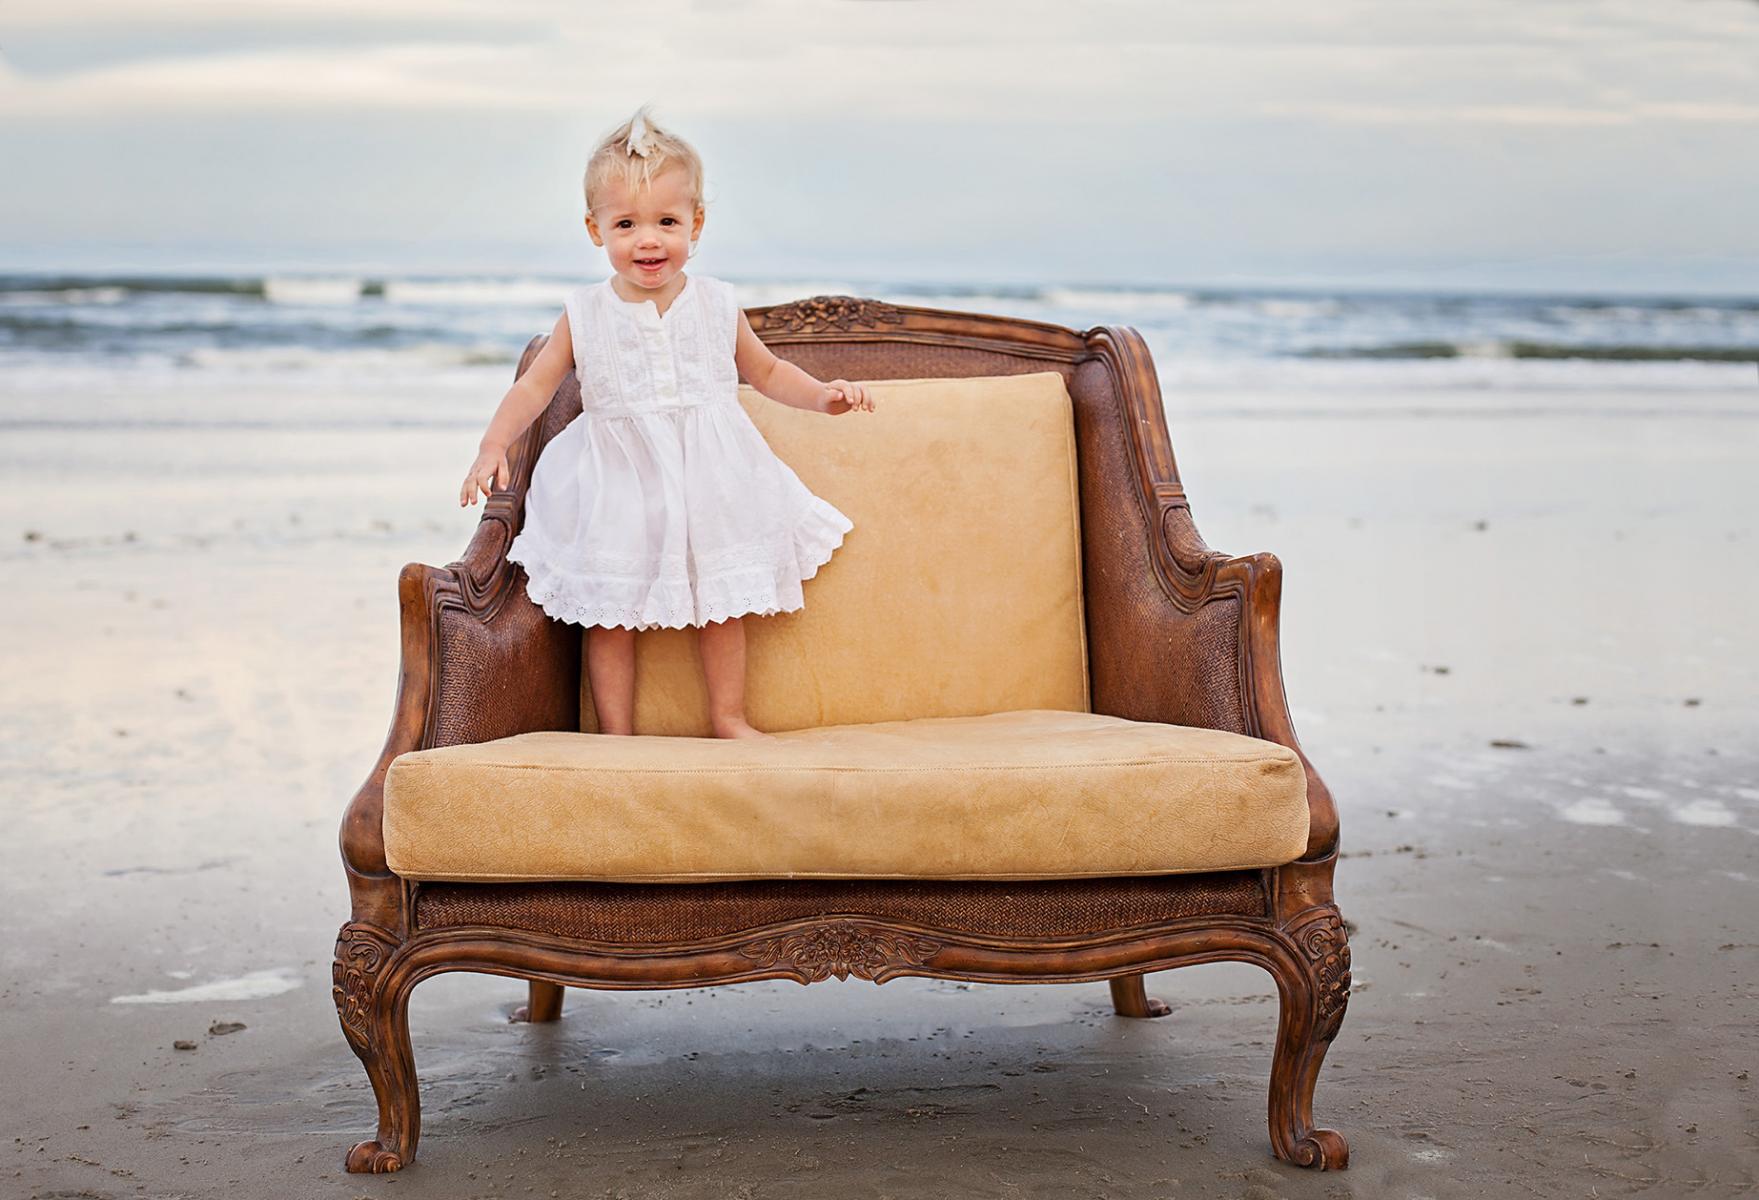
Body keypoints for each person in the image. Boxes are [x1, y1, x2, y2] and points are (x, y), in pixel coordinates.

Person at [458, 105, 872, 740]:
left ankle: (729, 717)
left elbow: (765, 373)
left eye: (666, 222)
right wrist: (493, 443)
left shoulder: (716, 303)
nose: (647, 240)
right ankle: (616, 734)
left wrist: (824, 396)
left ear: (696, 224)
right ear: (595, 230)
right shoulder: (586, 313)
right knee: (610, 615)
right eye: (626, 223)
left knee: (722, 605)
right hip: (618, 486)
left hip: (710, 480)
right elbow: (537, 384)